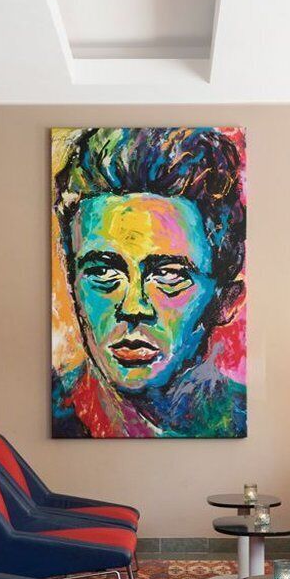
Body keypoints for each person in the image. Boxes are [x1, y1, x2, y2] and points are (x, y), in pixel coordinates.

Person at [51, 126, 246, 438]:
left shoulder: (243, 417)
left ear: (226, 301)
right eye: (103, 273)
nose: (133, 307)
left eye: (169, 275)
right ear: (73, 283)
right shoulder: (55, 409)